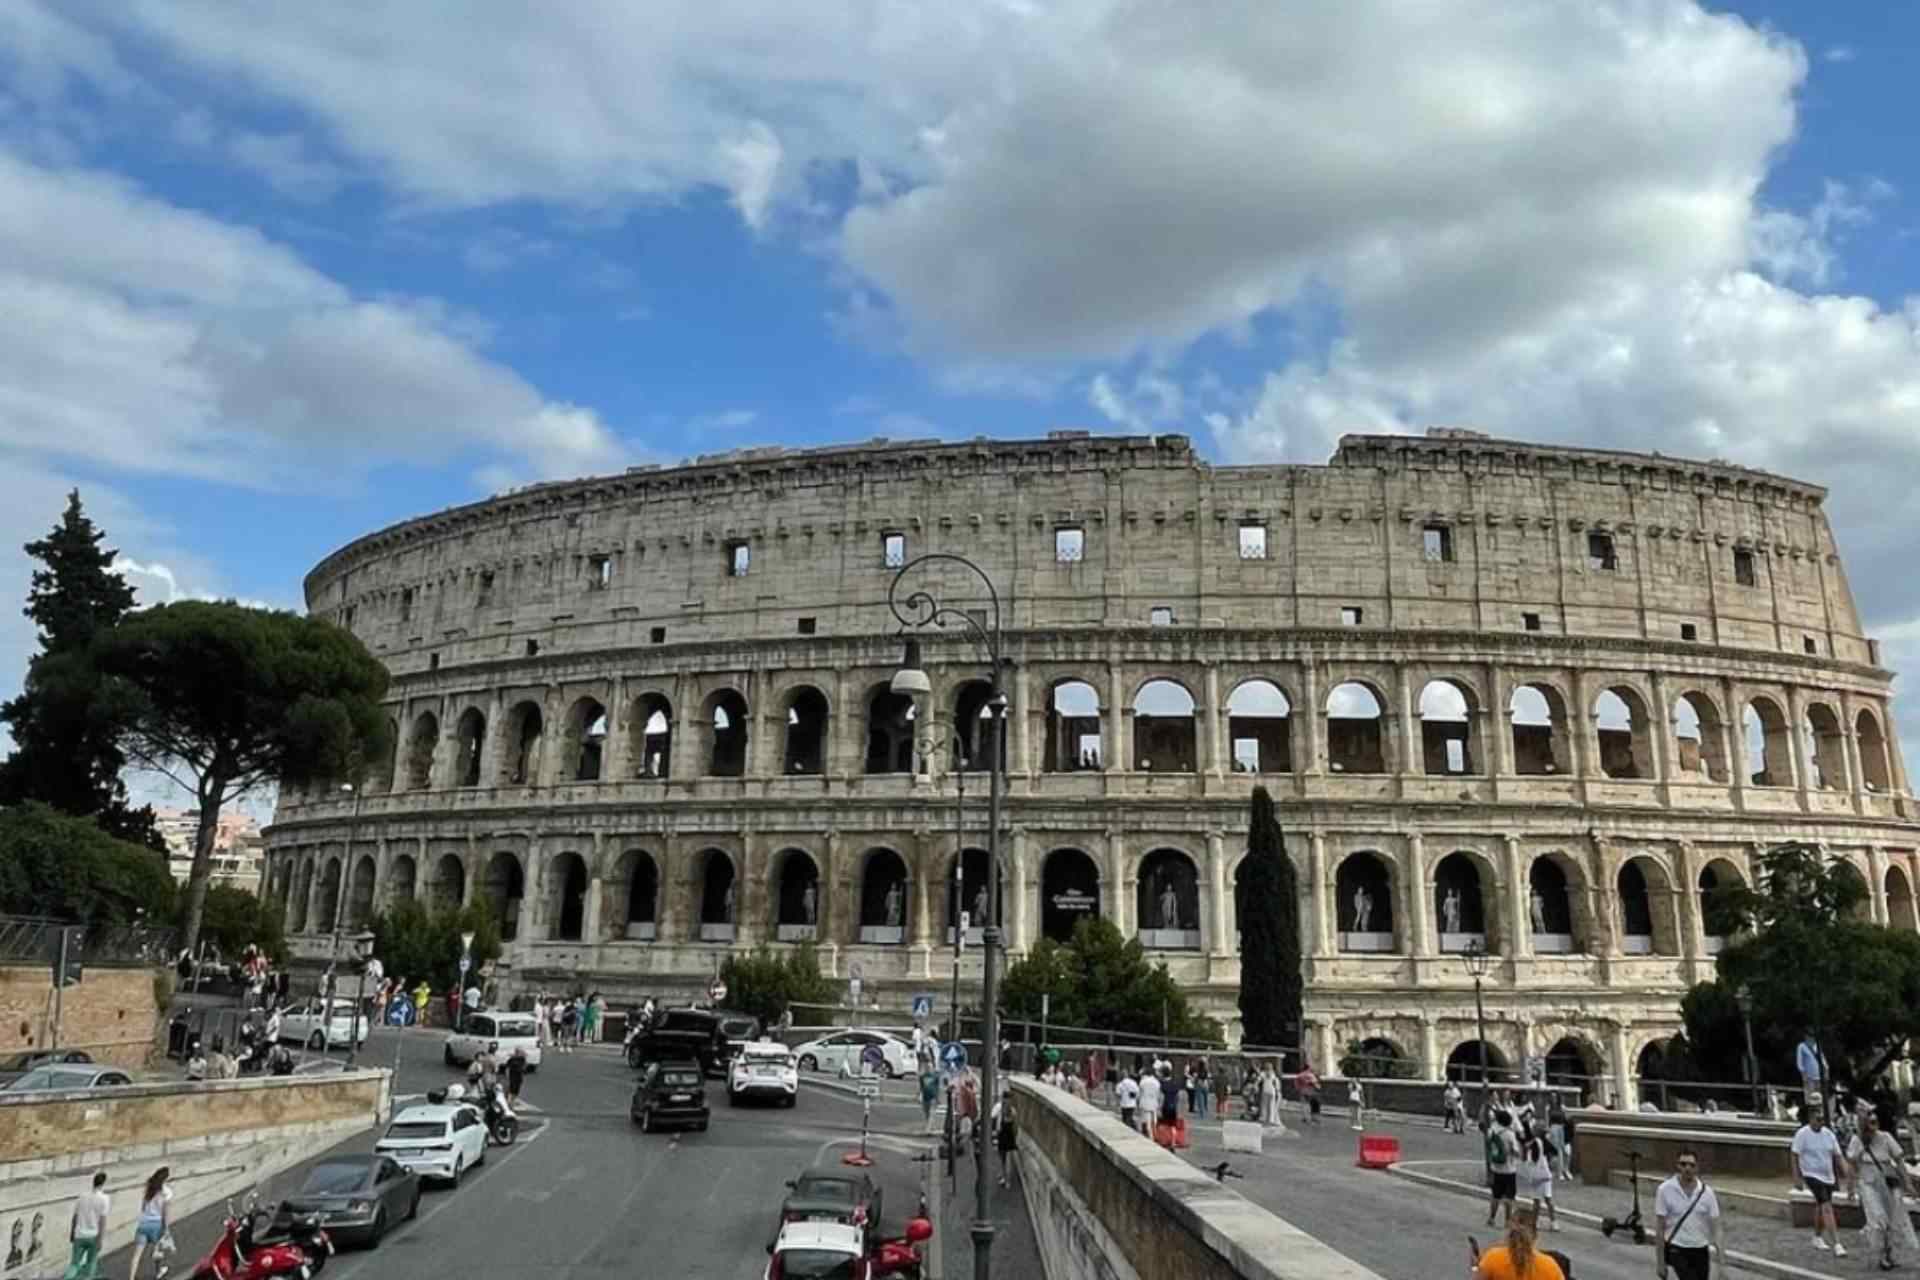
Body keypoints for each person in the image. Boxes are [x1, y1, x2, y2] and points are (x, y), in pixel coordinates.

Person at [1847, 1108, 1918, 1270]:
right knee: (1879, 1220)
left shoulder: (1886, 1138)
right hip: (1868, 1184)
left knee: (1893, 1221)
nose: (1875, 1125)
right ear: (1864, 1124)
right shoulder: (1857, 1141)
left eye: (1876, 1121)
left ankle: (1888, 1254)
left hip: (1887, 1183)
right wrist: (1850, 1188)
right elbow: (1851, 1165)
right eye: (1871, 1122)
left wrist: (1908, 1183)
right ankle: (1880, 1253)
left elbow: (1899, 1161)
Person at [1652, 1148, 1725, 1280]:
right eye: (1683, 1164)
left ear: (1697, 1168)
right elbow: (1660, 1227)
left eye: (1692, 1165)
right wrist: (1660, 1262)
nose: (1687, 1168)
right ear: (1677, 1166)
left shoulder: (1707, 1193)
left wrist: (1722, 1265)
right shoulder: (1665, 1190)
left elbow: (1717, 1228)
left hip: (1700, 1249)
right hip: (1677, 1247)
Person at [1792, 1105, 1849, 1257]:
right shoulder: (1802, 1134)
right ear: (1810, 1119)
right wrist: (1797, 1177)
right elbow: (1795, 1155)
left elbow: (1838, 1155)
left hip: (1827, 1175)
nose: (1821, 1122)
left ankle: (1817, 1236)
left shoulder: (1828, 1134)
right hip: (1811, 1174)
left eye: (1822, 1119)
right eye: (1818, 1119)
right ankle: (1837, 1243)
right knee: (1826, 1206)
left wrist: (1846, 1171)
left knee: (1821, 1206)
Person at [1469, 1207, 1563, 1280]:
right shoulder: (1550, 1266)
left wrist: (1476, 1268)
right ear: (1535, 1235)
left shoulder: (1493, 1258)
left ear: (1509, 1233)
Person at [64, 1170, 109, 1280]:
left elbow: (75, 1217)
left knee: (74, 1264)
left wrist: (72, 1233)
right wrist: (100, 1239)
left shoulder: (82, 1196)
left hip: (79, 1234)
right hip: (93, 1235)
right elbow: (102, 1221)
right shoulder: (104, 1199)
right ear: (103, 1184)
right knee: (91, 1264)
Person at [128, 1166, 171, 1280]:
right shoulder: (166, 1192)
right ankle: (158, 1271)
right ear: (165, 1179)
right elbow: (165, 1212)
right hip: (156, 1224)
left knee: (137, 1255)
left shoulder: (148, 1188)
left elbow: (143, 1206)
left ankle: (131, 1278)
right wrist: (166, 1228)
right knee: (158, 1249)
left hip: (143, 1223)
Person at [1518, 1122, 1558, 1233]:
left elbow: (1528, 1157)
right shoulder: (1545, 1142)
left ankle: (1534, 1223)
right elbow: (1554, 1152)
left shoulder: (1534, 1143)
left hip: (1537, 1175)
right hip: (1546, 1174)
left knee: (1536, 1201)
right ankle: (1554, 1222)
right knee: (1548, 1199)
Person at [1484, 1109, 1520, 1228]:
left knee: (1496, 1195)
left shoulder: (1492, 1132)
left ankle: (1491, 1218)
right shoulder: (1510, 1134)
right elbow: (1516, 1151)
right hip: (1509, 1169)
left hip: (1496, 1167)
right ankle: (1507, 1220)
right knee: (1509, 1197)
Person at [991, 1094, 1019, 1188]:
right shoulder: (1013, 1111)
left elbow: (993, 1117)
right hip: (1010, 1136)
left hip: (1002, 1135)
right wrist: (1014, 1137)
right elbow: (1015, 1127)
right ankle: (1008, 1181)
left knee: (1002, 1158)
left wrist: (994, 1133)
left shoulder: (999, 1107)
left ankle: (1003, 1176)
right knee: (1009, 1159)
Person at [1546, 1096, 1572, 1181]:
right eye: (1552, 1097)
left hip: (1562, 1129)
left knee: (1567, 1150)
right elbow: (1547, 1122)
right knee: (1559, 1150)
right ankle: (1560, 1173)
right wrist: (1548, 1132)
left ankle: (1566, 1169)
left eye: (1555, 1097)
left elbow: (1566, 1118)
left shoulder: (1562, 1107)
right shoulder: (1548, 1108)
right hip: (1553, 1128)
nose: (1554, 1098)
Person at [1798, 1032, 1824, 1104]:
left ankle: (1819, 1112)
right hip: (1809, 1076)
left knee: (1819, 1099)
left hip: (1819, 1076)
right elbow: (1799, 1063)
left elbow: (1822, 1059)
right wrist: (1803, 1074)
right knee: (1810, 1100)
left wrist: (1825, 1070)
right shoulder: (1802, 1046)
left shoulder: (1817, 1046)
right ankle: (1811, 1111)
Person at [1138, 1067, 1163, 1138]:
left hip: (1145, 1103)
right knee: (1154, 1121)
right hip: (1154, 1103)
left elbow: (1140, 1094)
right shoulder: (1157, 1082)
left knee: (1147, 1122)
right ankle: (1155, 1135)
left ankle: (1150, 1137)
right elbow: (1158, 1094)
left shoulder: (1142, 1081)